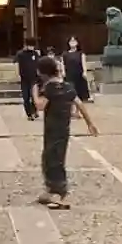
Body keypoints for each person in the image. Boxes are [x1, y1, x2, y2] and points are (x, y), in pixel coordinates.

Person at [34, 53, 97, 209]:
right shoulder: (68, 87)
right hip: (63, 129)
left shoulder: (50, 88)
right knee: (53, 157)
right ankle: (50, 190)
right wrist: (90, 123)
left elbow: (40, 106)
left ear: (43, 73)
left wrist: (34, 92)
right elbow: (79, 104)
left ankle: (59, 193)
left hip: (52, 129)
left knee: (53, 159)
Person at [15, 41, 41, 121]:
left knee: (34, 96)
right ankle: (29, 114)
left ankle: (34, 111)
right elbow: (16, 64)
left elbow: (38, 64)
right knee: (26, 97)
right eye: (30, 46)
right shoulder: (20, 54)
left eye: (32, 46)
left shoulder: (35, 53)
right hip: (24, 79)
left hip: (34, 78)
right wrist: (17, 75)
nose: (31, 47)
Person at [64, 35, 91, 104]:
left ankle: (79, 109)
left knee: (80, 96)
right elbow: (63, 64)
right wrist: (63, 72)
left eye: (74, 40)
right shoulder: (65, 54)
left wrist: (85, 72)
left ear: (77, 42)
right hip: (69, 76)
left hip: (79, 75)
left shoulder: (81, 53)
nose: (72, 42)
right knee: (71, 94)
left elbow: (83, 63)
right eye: (71, 41)